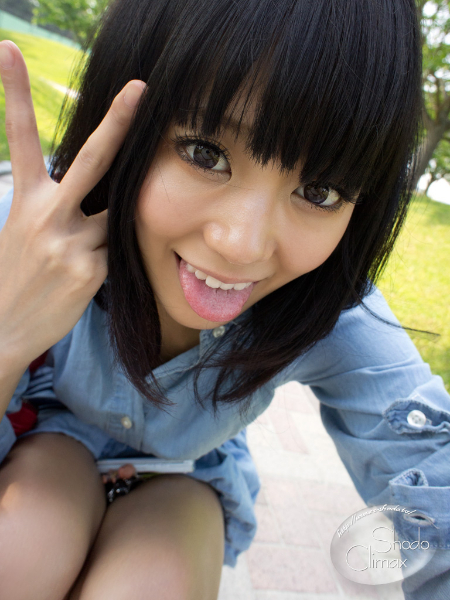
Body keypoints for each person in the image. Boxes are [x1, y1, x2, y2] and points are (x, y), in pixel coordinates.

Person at [0, 0, 448, 598]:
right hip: (49, 434)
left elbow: (432, 475)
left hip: (185, 479)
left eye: (320, 191)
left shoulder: (329, 308)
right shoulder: (27, 236)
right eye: (205, 154)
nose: (241, 245)